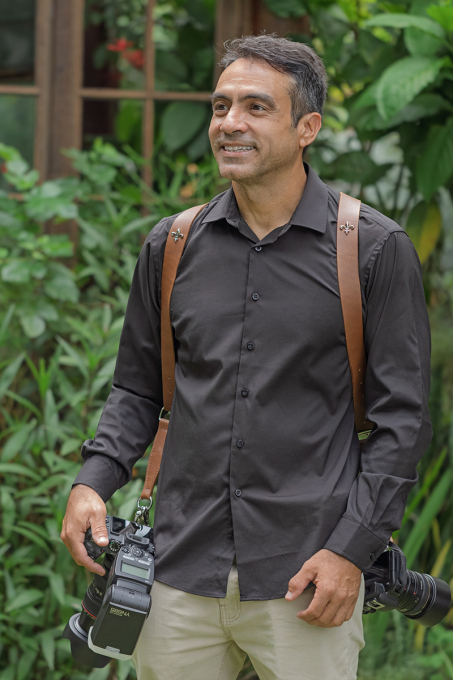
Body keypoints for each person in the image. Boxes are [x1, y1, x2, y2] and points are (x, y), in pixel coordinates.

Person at [61, 34, 432, 680]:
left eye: (256, 107)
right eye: (220, 106)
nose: (229, 123)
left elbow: (403, 421)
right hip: (177, 571)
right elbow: (137, 389)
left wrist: (350, 551)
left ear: (307, 127)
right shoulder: (172, 244)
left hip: (307, 575)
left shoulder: (371, 249)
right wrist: (93, 480)